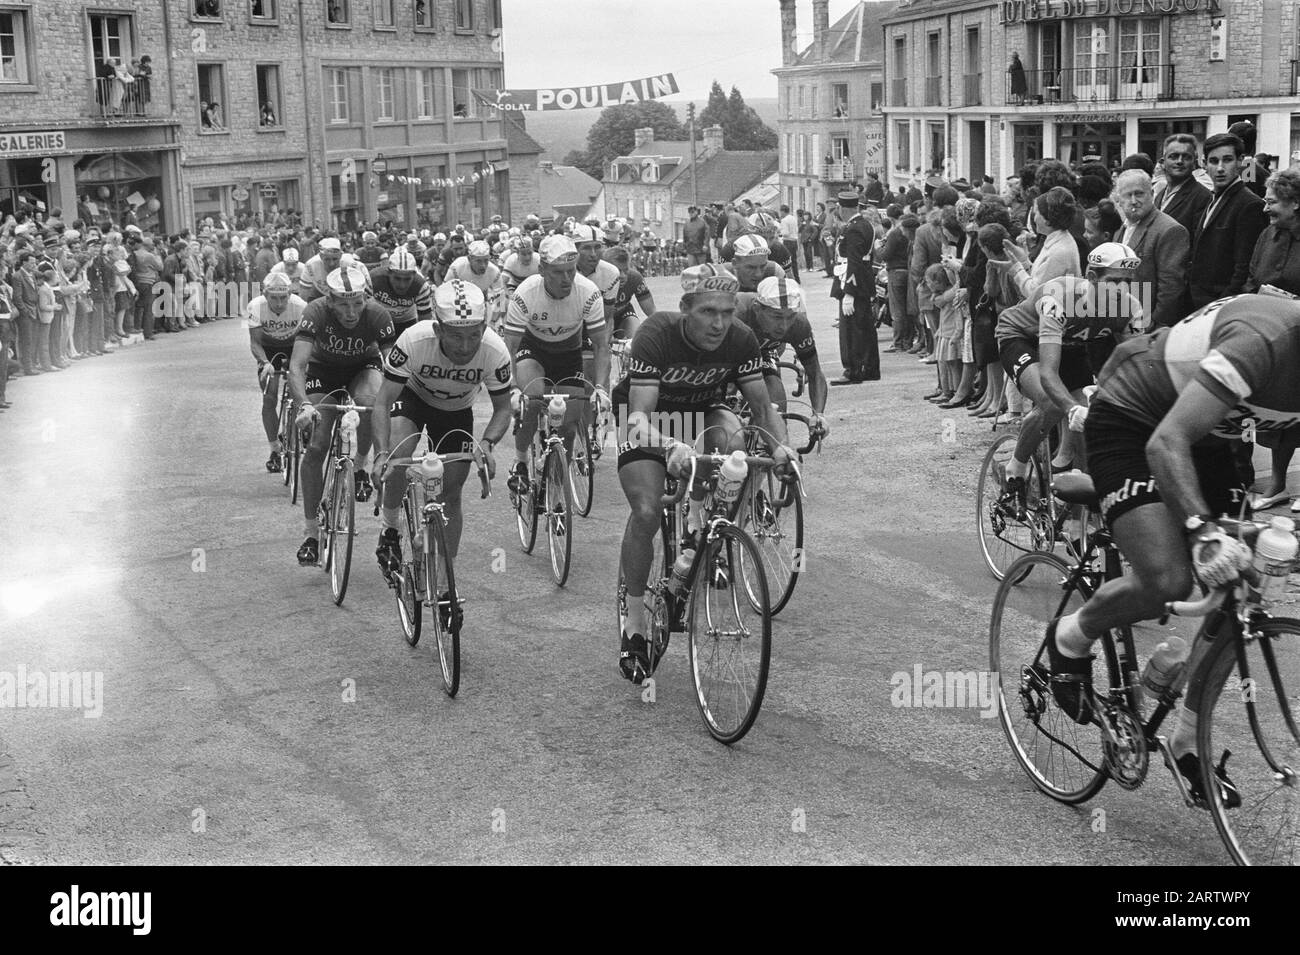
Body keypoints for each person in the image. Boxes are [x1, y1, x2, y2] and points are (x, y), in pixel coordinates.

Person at [1049, 292, 1300, 805]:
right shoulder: (1263, 339)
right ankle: (1071, 636)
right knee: (1170, 578)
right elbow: (1166, 443)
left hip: (1216, 436)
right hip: (1137, 419)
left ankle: (1188, 739)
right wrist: (1202, 531)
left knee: (1240, 583)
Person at [612, 265, 796, 684]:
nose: (719, 323)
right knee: (646, 511)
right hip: (650, 421)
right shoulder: (656, 333)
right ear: (685, 308)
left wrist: (781, 447)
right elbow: (638, 417)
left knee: (736, 443)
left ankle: (703, 529)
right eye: (708, 312)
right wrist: (668, 445)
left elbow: (764, 409)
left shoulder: (740, 338)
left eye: (728, 312)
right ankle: (635, 622)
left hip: (703, 416)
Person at [372, 280, 515, 578]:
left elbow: (503, 409)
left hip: (455, 410)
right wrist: (382, 453)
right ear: (438, 330)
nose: (465, 347)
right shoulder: (414, 340)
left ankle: (443, 579)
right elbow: (383, 402)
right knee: (399, 456)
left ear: (485, 328)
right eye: (455, 337)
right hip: (411, 397)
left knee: (451, 492)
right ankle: (389, 528)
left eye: (474, 336)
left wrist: (487, 444)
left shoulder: (494, 350)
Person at [996, 242, 1145, 504]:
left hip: (1070, 342)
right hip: (1021, 337)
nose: (1122, 290)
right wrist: (1071, 409)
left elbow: (1139, 366)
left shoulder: (1130, 307)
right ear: (1090, 278)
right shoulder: (1059, 296)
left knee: (1090, 414)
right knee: (1053, 403)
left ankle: (1078, 521)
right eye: (1113, 281)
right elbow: (1049, 375)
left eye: (1128, 281)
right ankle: (1016, 467)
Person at [289, 265, 397, 564]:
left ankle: (361, 466)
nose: (351, 313)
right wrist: (304, 405)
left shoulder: (377, 314)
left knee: (369, 402)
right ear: (330, 301)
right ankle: (311, 534)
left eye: (357, 303)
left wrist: (399, 403)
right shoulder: (315, 311)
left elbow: (394, 368)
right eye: (343, 305)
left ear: (365, 299)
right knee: (317, 446)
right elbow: (297, 366)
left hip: (364, 366)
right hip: (323, 371)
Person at [501, 234, 611, 493]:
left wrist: (601, 388)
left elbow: (601, 346)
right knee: (533, 401)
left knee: (569, 427)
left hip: (568, 355)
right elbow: (510, 348)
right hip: (533, 350)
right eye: (557, 273)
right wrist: (514, 388)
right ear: (542, 270)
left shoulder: (587, 292)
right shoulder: (526, 293)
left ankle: (557, 495)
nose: (566, 279)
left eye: (570, 271)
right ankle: (520, 463)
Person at [1240, 168, 1300, 511]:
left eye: (1273, 202)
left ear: (1295, 203)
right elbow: (1252, 275)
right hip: (1273, 341)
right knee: (1278, 413)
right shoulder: (1268, 235)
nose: (1266, 208)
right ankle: (1277, 484)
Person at [1186, 132, 1267, 312]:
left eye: (1227, 160)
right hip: (1199, 301)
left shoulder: (1249, 205)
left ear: (1240, 161)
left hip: (1219, 306)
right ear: (1205, 164)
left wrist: (1218, 308)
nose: (1220, 168)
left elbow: (1243, 270)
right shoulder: (1212, 199)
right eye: (1214, 161)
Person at [246, 271, 308, 473]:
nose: (280, 303)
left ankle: (304, 423)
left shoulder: (300, 306)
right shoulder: (256, 306)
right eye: (274, 298)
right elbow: (255, 343)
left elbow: (307, 341)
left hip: (294, 346)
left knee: (301, 386)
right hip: (268, 349)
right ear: (265, 295)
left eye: (284, 298)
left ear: (290, 294)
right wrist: (264, 362)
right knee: (269, 396)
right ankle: (274, 449)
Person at [1112, 169, 1189, 328]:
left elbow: (1171, 290)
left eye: (1139, 194)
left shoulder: (1169, 230)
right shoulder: (1123, 228)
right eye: (1128, 195)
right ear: (1118, 199)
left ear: (1152, 193)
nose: (1133, 201)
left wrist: (1152, 326)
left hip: (1146, 329)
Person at [833, 190, 878, 384]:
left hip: (853, 283)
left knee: (851, 330)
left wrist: (849, 293)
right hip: (864, 281)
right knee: (865, 326)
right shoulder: (865, 225)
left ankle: (853, 369)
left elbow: (854, 261)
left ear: (843, 208)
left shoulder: (853, 229)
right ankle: (869, 368)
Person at [1154, 134, 1212, 241]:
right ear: (1163, 162)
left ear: (1194, 163)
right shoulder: (1160, 195)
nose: (1180, 161)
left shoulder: (1202, 197)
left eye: (1186, 157)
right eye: (1174, 156)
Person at [369, 248, 434, 338]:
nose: (402, 285)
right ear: (389, 273)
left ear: (414, 275)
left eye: (407, 279)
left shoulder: (421, 286)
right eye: (397, 278)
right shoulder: (373, 278)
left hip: (407, 321)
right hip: (380, 320)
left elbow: (425, 322)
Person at [601, 246, 654, 339]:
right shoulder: (593, 281)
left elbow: (652, 312)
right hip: (599, 319)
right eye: (617, 271)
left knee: (636, 338)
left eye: (626, 270)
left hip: (622, 315)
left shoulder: (635, 278)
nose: (622, 276)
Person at [776, 204, 801, 284]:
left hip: (788, 241)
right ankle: (797, 278)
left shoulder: (784, 220)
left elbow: (786, 233)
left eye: (781, 212)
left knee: (787, 261)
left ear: (783, 211)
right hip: (794, 241)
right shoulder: (793, 218)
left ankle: (791, 279)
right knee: (794, 261)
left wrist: (779, 232)